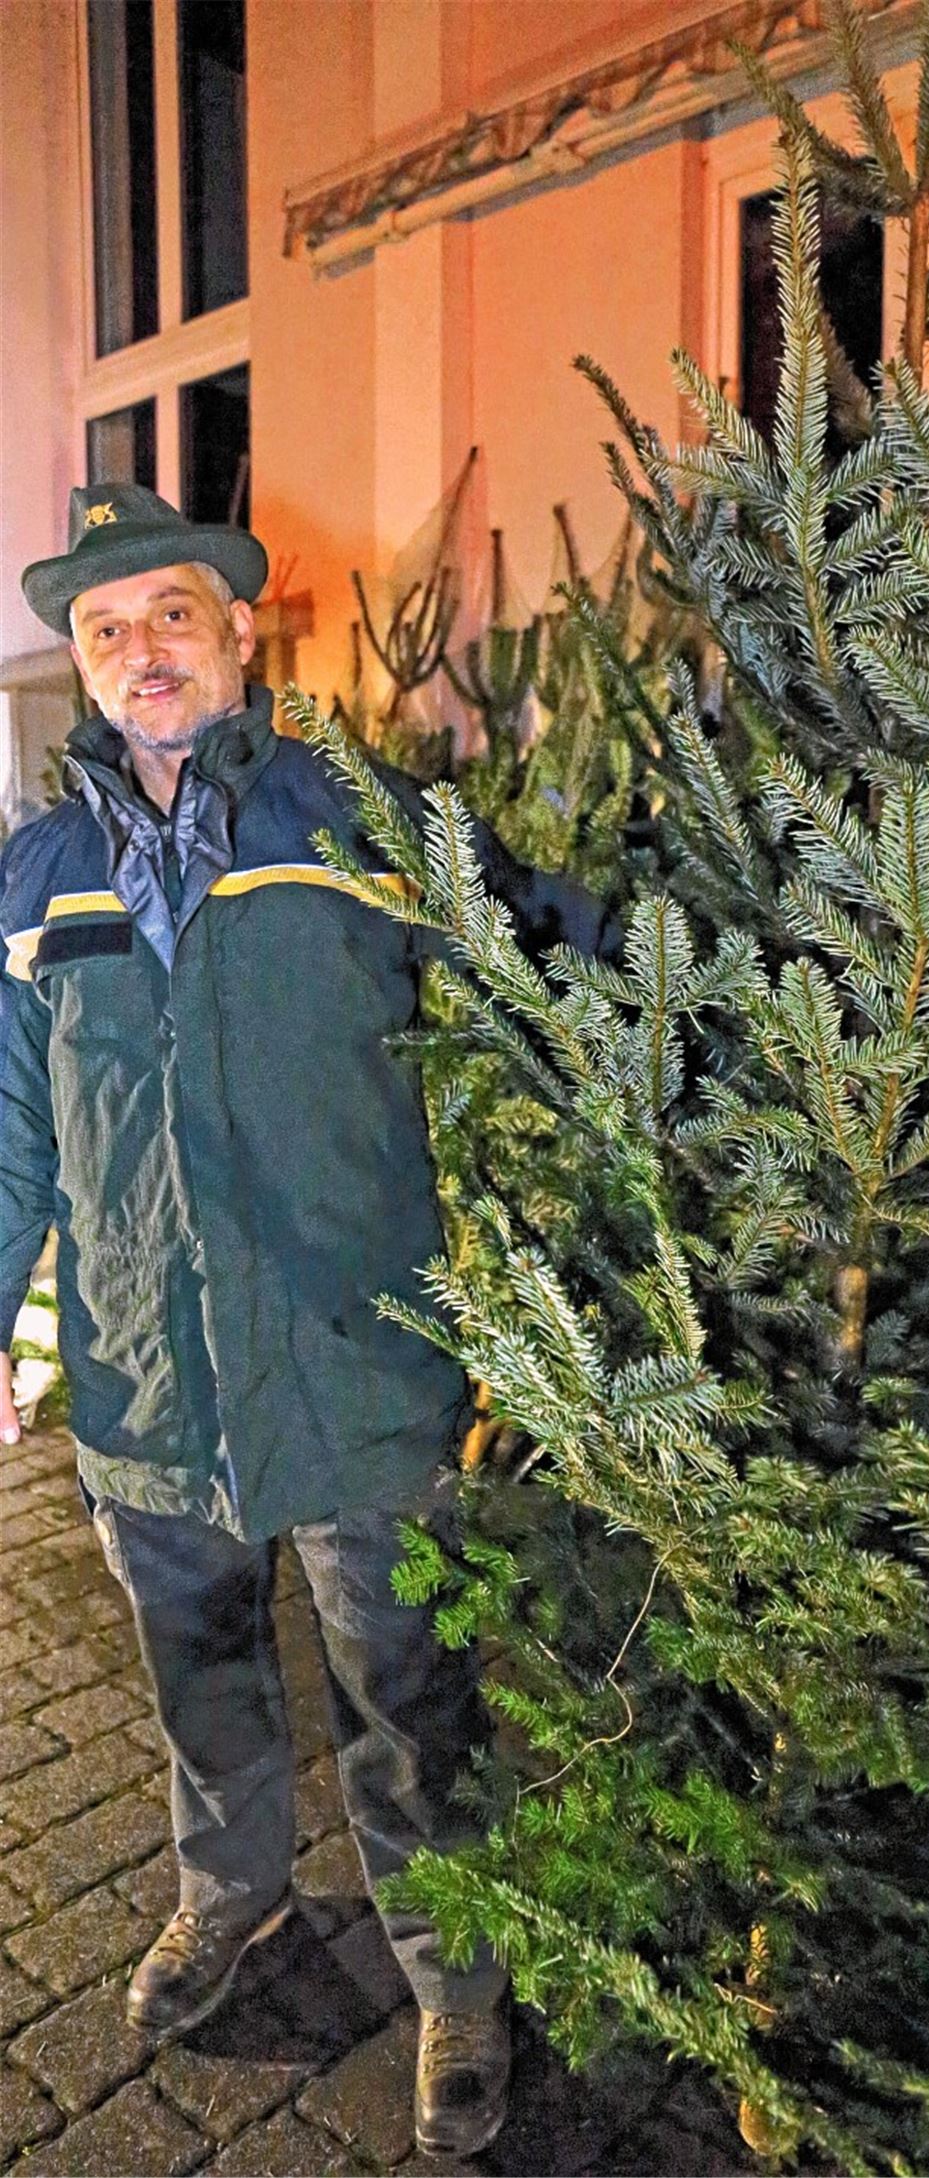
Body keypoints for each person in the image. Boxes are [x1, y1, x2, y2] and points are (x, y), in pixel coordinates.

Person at [0, 485, 614, 2157]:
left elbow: (543, 944)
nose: (140, 653)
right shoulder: (40, 873)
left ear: (238, 632)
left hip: (357, 1366)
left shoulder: (354, 817)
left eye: (170, 617)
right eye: (107, 629)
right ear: (82, 656)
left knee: (410, 1697)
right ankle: (236, 1893)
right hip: (141, 1379)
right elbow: (10, 1124)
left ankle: (458, 1979)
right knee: (200, 1680)